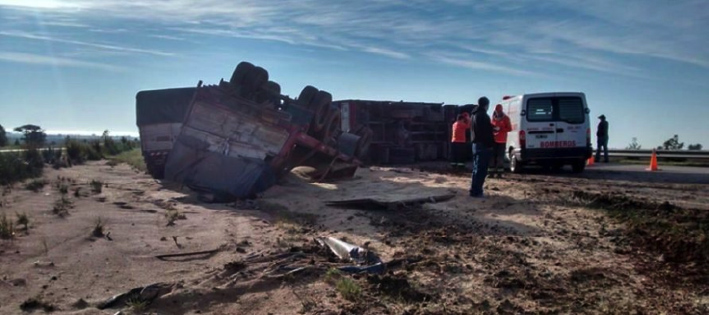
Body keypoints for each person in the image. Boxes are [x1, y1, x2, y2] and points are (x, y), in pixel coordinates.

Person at [470, 97, 494, 198]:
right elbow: (485, 132)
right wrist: (490, 144)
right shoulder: (483, 115)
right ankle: (477, 192)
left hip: (475, 144)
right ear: (486, 105)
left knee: (476, 169)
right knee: (481, 169)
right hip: (483, 145)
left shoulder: (474, 115)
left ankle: (474, 190)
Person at [490, 104, 511, 177]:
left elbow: (509, 128)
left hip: (502, 141)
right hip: (493, 140)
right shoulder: (493, 118)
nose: (497, 112)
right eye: (496, 111)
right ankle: (491, 173)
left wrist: (501, 129)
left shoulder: (506, 118)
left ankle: (500, 173)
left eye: (498, 111)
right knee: (492, 157)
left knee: (500, 158)